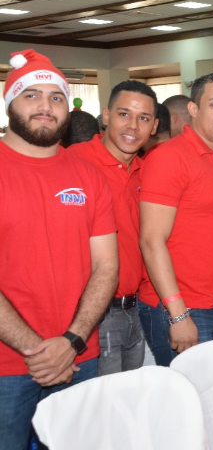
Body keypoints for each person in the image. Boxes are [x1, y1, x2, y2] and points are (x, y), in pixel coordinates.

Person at [0, 49, 118, 449]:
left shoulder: (89, 176)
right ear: (9, 102)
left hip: (80, 356)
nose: (45, 107)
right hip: (7, 368)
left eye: (56, 98)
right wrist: (38, 350)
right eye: (30, 95)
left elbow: (106, 266)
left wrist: (71, 341)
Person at [138, 74, 213, 366]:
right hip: (180, 305)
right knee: (187, 405)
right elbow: (150, 241)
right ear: (193, 109)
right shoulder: (169, 158)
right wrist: (178, 312)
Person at [69, 81, 159, 376]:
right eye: (124, 114)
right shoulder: (75, 163)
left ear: (154, 126)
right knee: (101, 412)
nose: (133, 126)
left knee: (127, 406)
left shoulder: (148, 173)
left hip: (137, 309)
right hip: (94, 314)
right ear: (106, 116)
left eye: (143, 118)